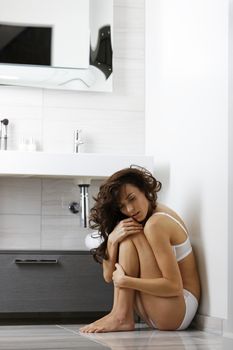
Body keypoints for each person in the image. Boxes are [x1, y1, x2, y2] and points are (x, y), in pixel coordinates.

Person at [79, 166, 201, 333]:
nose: (129, 209)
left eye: (132, 198)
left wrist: (126, 281)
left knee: (130, 236)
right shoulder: (134, 219)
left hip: (179, 310)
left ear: (144, 190)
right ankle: (120, 315)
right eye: (122, 206)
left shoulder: (156, 224)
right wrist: (113, 239)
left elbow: (174, 286)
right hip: (160, 309)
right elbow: (108, 276)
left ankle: (120, 316)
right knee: (126, 236)